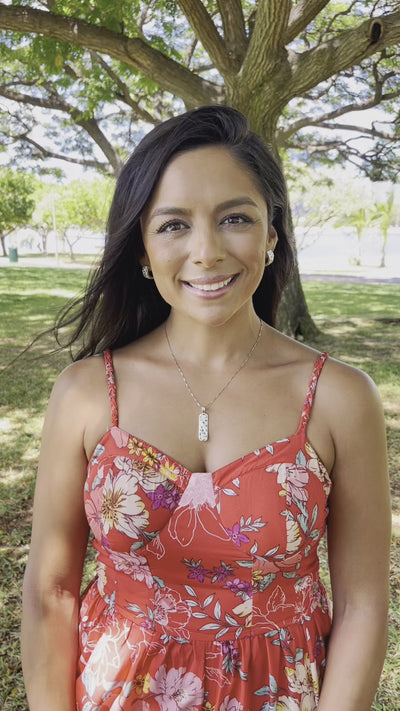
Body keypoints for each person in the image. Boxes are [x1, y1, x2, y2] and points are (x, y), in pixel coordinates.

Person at [21, 106, 391, 711]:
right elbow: (51, 590)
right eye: (172, 225)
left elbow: (362, 605)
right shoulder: (87, 392)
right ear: (142, 247)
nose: (207, 250)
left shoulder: (338, 398)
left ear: (272, 235)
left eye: (235, 218)